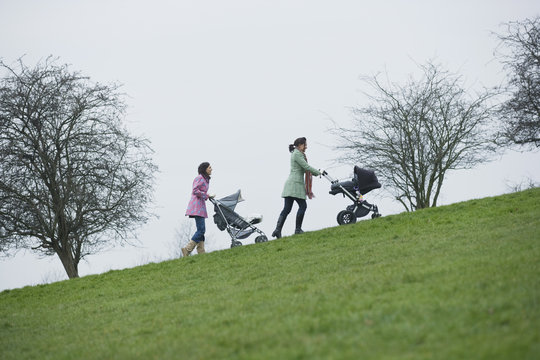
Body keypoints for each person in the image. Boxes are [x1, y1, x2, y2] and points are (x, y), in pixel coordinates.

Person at [272, 137, 323, 238]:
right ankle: (297, 229)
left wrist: (315, 171)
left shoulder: (296, 154)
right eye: (305, 145)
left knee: (287, 209)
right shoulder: (297, 154)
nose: (306, 147)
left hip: (291, 184)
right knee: (302, 206)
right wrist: (318, 172)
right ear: (300, 145)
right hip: (295, 184)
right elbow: (306, 167)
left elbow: (303, 169)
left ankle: (277, 230)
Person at [183, 162, 214, 256]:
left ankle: (201, 252)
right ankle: (187, 249)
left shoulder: (205, 179)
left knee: (201, 229)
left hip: (200, 206)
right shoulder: (199, 178)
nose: (211, 169)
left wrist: (207, 196)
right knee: (201, 230)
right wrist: (207, 195)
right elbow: (195, 190)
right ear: (205, 169)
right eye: (209, 167)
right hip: (196, 206)